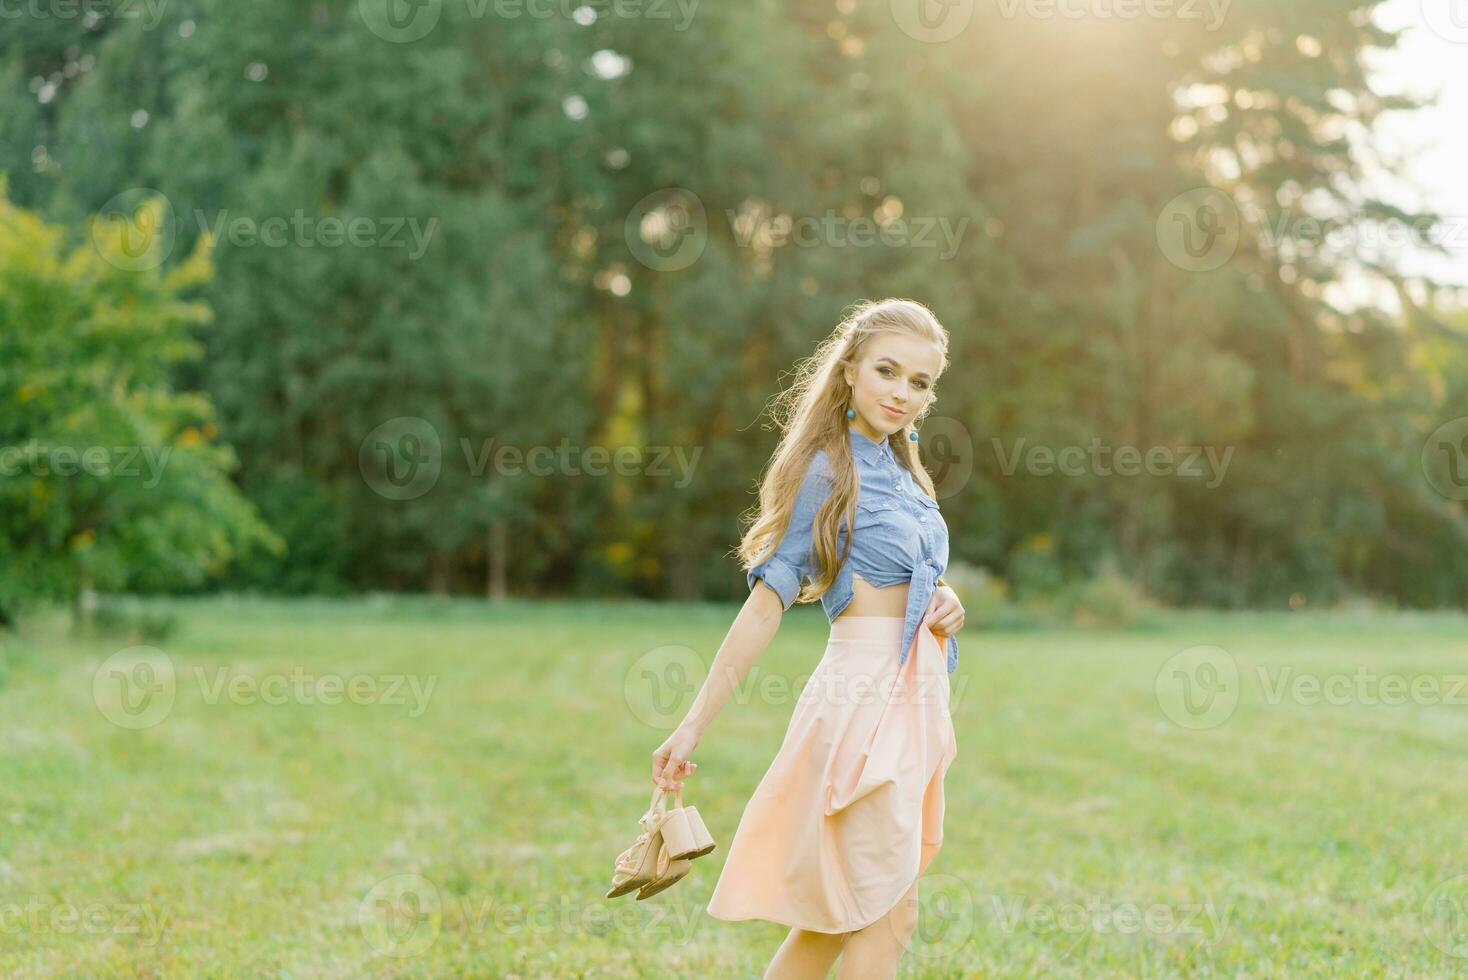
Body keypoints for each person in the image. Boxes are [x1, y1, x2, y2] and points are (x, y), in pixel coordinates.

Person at [652, 298, 966, 979]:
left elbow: (905, 577)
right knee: (885, 913)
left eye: (920, 382)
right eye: (887, 371)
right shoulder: (830, 469)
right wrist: (692, 725)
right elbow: (768, 603)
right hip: (860, 702)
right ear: (850, 369)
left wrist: (945, 600)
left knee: (839, 923)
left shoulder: (907, 473)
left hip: (912, 702)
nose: (902, 393)